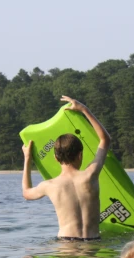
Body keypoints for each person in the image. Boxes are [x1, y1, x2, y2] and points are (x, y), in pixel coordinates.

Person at [21, 96, 110, 240]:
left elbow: (26, 193)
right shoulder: (91, 174)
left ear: (56, 158)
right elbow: (105, 140)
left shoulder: (49, 185)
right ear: (80, 155)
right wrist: (83, 109)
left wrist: (27, 159)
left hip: (65, 244)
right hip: (93, 243)